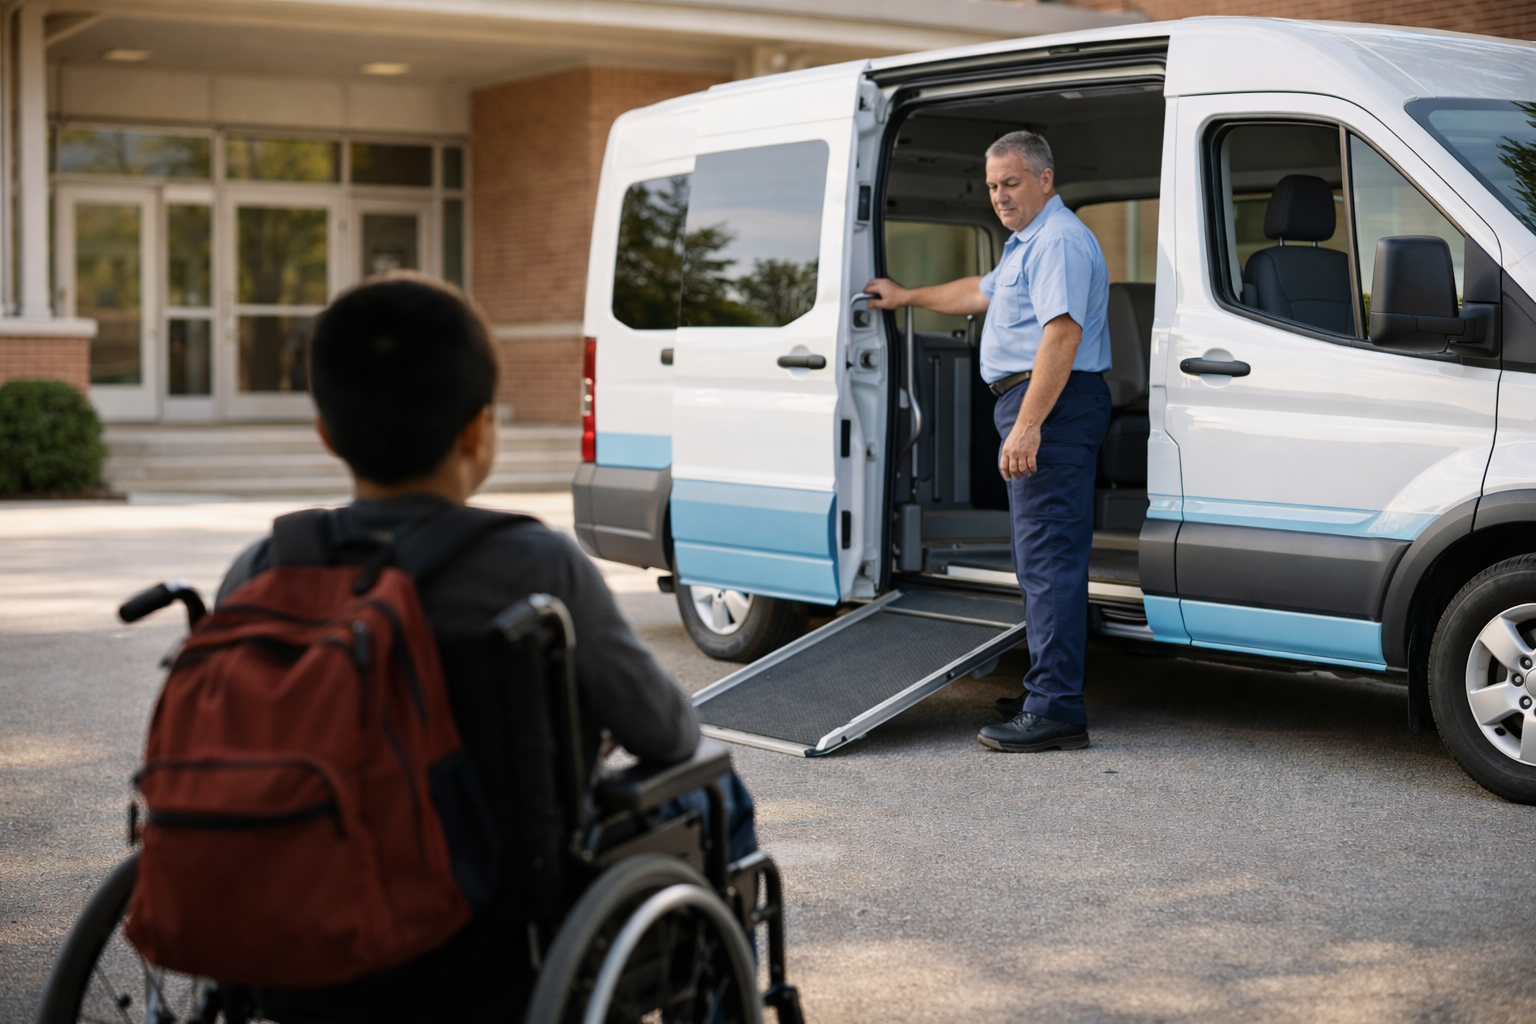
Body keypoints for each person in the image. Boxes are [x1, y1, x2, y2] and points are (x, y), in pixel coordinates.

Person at [215, 272, 754, 1019]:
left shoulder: (261, 571)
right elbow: (666, 731)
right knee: (715, 787)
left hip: (303, 918)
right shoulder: (533, 566)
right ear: (479, 430)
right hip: (489, 928)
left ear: (327, 434)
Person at [864, 130, 1111, 753]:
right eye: (994, 186)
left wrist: (1028, 424)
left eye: (1012, 183)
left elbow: (1061, 336)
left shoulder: (1057, 241)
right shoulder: (1025, 244)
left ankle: (1055, 709)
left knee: (1048, 559)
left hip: (1049, 404)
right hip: (1038, 401)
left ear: (1045, 180)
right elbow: (980, 291)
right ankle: (1046, 691)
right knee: (1041, 559)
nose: (1000, 196)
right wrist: (906, 296)